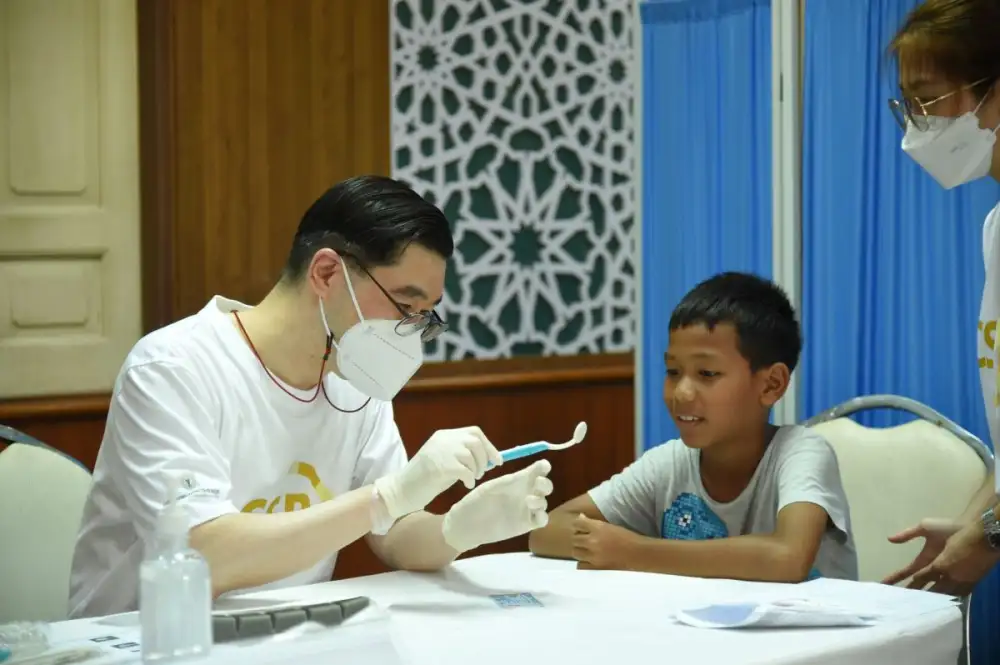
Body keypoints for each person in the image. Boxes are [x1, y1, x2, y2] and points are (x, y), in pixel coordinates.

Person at [69, 176, 553, 618]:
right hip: (149, 639)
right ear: (325, 273)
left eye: (425, 316)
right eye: (405, 306)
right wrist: (385, 497)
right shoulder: (173, 368)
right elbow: (203, 555)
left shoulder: (355, 380)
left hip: (287, 634)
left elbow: (393, 533)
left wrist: (457, 529)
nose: (410, 332)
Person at [528, 272, 858, 581]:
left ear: (771, 384)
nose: (681, 393)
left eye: (707, 374)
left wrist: (634, 551)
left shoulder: (801, 452)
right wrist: (613, 545)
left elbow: (787, 557)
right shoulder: (668, 464)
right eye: (673, 372)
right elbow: (545, 529)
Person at [882, 0, 1000, 595]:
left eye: (927, 100)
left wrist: (989, 535)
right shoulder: (995, 229)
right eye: (907, 105)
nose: (916, 126)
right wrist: (974, 526)